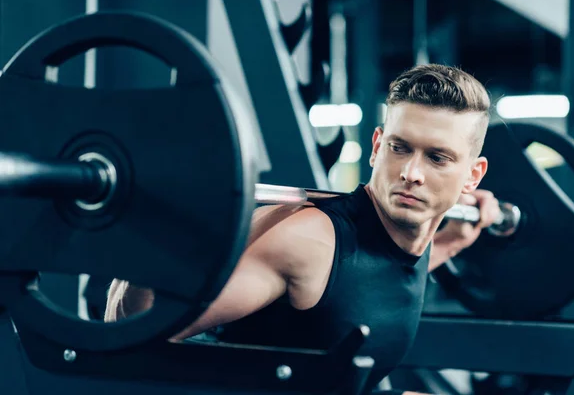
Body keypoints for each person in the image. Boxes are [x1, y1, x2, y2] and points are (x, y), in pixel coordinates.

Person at [105, 63, 500, 393]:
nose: (412, 174)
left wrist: (453, 239)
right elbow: (129, 329)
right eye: (400, 148)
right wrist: (155, 223)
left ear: (472, 175)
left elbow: (375, 281)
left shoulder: (415, 234)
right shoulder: (312, 241)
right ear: (377, 146)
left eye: (437, 158)